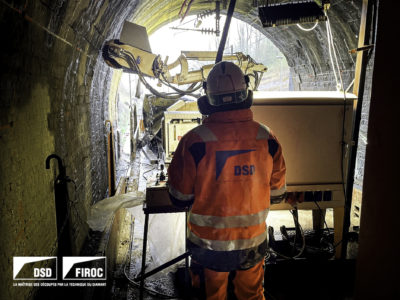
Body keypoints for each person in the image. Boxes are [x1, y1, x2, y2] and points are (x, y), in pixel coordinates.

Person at [167, 61, 286, 300]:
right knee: (251, 295)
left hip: (209, 247)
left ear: (208, 98)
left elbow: (179, 197)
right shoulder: (267, 137)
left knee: (212, 296)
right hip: (252, 241)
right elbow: (278, 193)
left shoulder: (194, 141)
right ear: (245, 93)